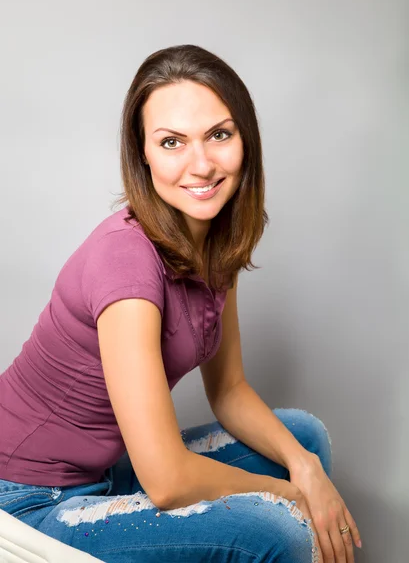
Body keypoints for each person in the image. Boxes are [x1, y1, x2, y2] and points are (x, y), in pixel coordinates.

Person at [0, 44, 361, 563]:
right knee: (284, 528)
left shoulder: (215, 240)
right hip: (27, 500)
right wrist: (297, 496)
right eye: (172, 142)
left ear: (246, 140)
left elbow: (230, 390)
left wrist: (304, 470)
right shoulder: (125, 263)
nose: (202, 164)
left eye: (219, 134)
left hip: (103, 471)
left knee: (304, 441)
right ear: (142, 153)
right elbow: (167, 482)